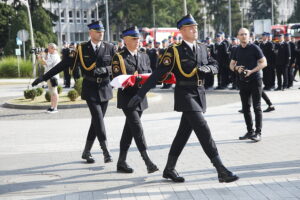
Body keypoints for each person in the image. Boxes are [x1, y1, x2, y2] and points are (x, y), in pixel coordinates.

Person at [128, 14, 238, 183]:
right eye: (191, 28)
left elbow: (215, 64)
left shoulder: (202, 47)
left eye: (196, 27)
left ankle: (169, 169)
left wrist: (208, 69)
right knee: (203, 130)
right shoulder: (175, 50)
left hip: (199, 93)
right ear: (182, 31)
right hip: (185, 94)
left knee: (183, 134)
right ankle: (221, 169)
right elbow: (158, 73)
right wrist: (140, 94)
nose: (195, 30)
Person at [32, 21, 115, 164]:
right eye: (97, 31)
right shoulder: (81, 49)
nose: (101, 33)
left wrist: (107, 70)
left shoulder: (110, 47)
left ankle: (86, 152)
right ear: (90, 32)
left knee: (96, 121)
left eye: (102, 31)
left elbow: (116, 66)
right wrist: (43, 77)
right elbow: (64, 64)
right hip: (90, 88)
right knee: (98, 118)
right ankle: (106, 151)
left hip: (105, 88)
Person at [111, 26, 158, 174]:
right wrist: (136, 78)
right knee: (137, 128)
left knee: (129, 130)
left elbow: (149, 74)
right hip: (128, 98)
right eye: (134, 39)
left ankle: (121, 162)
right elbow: (117, 79)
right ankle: (148, 161)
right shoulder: (119, 57)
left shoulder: (144, 55)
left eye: (138, 39)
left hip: (141, 98)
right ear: (125, 40)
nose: (137, 41)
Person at [230, 28, 267, 142]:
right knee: (246, 108)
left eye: (245, 34)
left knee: (257, 107)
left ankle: (258, 133)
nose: (244, 36)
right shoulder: (236, 49)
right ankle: (250, 131)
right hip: (242, 81)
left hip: (255, 80)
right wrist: (236, 68)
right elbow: (231, 64)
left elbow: (264, 63)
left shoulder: (255, 48)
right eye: (241, 34)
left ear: (249, 36)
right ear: (238, 36)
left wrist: (252, 71)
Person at [37, 43, 61, 113]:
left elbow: (46, 63)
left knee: (54, 92)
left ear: (53, 48)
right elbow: (45, 65)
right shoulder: (51, 55)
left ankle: (55, 108)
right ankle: (52, 107)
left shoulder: (55, 56)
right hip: (49, 75)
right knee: (51, 92)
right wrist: (42, 58)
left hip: (53, 76)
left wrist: (41, 58)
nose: (47, 49)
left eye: (49, 48)